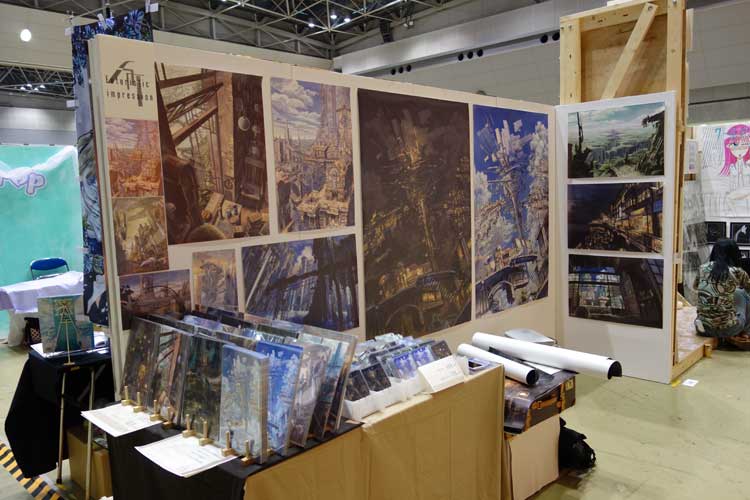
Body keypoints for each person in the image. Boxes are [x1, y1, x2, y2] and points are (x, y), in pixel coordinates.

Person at [693, 238, 750, 339]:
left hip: (703, 329)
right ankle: (747, 332)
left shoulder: (702, 268)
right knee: (741, 293)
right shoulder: (738, 272)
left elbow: (695, 286)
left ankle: (706, 322)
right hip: (729, 329)